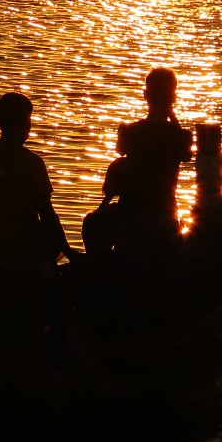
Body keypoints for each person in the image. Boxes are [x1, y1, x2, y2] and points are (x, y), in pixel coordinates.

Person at [83, 68, 193, 325]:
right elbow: (185, 152)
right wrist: (171, 112)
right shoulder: (180, 136)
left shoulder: (130, 132)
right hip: (164, 219)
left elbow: (122, 153)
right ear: (173, 98)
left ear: (145, 95)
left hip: (131, 220)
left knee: (131, 282)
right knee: (171, 286)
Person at [0, 92, 71, 345]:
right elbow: (45, 212)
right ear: (21, 123)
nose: (30, 125)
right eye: (28, 119)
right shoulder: (31, 163)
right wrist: (65, 249)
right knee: (28, 322)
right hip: (22, 257)